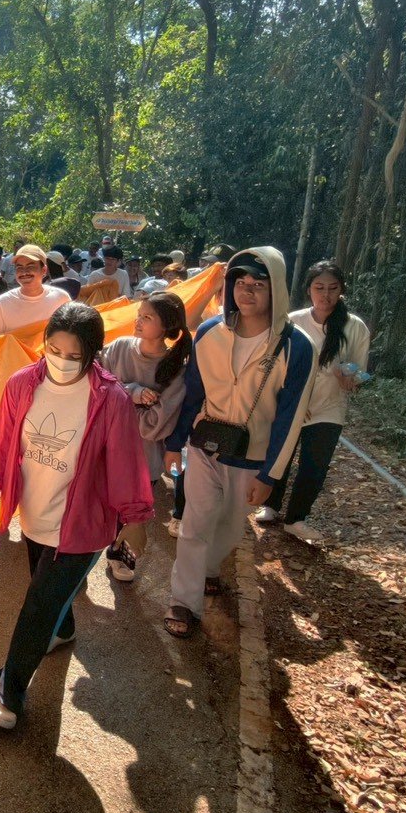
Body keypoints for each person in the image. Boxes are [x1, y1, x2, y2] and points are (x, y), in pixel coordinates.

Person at [0, 303, 153, 729]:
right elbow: (3, 444)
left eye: (74, 355)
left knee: (37, 607)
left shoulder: (110, 400)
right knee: (46, 593)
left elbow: (125, 463)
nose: (62, 361)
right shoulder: (21, 385)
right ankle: (63, 629)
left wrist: (136, 519)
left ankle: (9, 690)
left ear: (93, 353)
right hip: (34, 515)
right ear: (44, 344)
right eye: (54, 350)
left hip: (84, 524)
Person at [161, 247, 315, 638]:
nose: (247, 291)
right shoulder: (210, 332)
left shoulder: (296, 347)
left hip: (253, 455)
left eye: (258, 285)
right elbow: (192, 393)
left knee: (230, 527)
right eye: (240, 282)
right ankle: (184, 601)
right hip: (205, 445)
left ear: (276, 289)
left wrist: (270, 475)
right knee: (194, 524)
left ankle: (210, 569)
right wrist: (175, 443)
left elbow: (290, 417)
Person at [254, 260, 371, 544]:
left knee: (314, 466)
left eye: (332, 288)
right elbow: (275, 365)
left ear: (341, 290)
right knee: (281, 455)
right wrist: (286, 401)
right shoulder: (293, 321)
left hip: (329, 407)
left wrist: (350, 379)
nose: (325, 295)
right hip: (292, 404)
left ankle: (297, 518)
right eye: (319, 287)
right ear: (309, 290)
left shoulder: (355, 327)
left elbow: (360, 372)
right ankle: (271, 504)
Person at [99, 290, 193, 582]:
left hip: (144, 458)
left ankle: (122, 556)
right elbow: (96, 391)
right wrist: (133, 393)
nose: (138, 321)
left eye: (147, 317)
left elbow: (154, 426)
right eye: (139, 315)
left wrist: (118, 404)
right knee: (101, 508)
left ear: (166, 326)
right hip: (105, 449)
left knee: (133, 514)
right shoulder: (118, 348)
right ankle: (87, 555)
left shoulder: (177, 369)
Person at [0, 244, 72, 339]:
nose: (24, 272)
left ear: (44, 270)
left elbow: (69, 336)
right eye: (19, 267)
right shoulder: (1, 303)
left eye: (30, 266)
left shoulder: (61, 298)